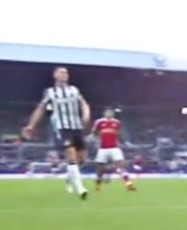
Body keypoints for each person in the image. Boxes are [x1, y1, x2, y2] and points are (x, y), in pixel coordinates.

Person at [21, 66, 91, 199]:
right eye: (61, 72)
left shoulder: (74, 90)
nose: (65, 74)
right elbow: (41, 109)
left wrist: (86, 115)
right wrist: (31, 126)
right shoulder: (50, 92)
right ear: (55, 75)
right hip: (62, 127)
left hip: (77, 126)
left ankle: (70, 178)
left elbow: (84, 104)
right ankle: (81, 189)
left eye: (66, 72)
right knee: (70, 155)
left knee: (81, 159)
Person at [91, 108, 136, 191]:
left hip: (114, 148)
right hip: (103, 148)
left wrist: (124, 142)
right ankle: (98, 185)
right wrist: (97, 139)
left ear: (113, 114)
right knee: (100, 169)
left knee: (121, 165)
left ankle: (129, 184)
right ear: (104, 113)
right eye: (107, 112)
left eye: (110, 112)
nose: (109, 113)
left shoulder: (116, 122)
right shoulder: (99, 122)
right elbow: (93, 132)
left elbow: (119, 133)